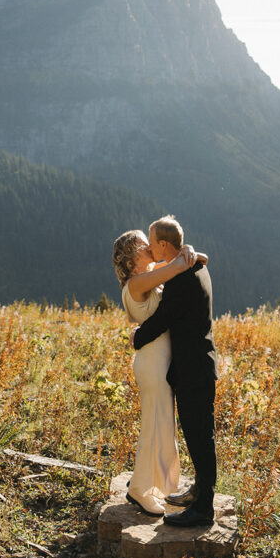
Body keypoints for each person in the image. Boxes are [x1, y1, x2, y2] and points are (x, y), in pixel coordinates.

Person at [131, 215, 218, 528]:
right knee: (197, 433)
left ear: (164, 244)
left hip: (193, 368)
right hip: (198, 365)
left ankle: (204, 508)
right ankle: (199, 492)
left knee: (200, 436)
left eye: (153, 243)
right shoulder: (195, 266)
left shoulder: (181, 277)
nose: (151, 248)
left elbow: (163, 319)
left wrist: (136, 337)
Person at [112, 229, 205, 516]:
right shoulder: (137, 282)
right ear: (131, 255)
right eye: (144, 243)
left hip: (160, 362)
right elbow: (181, 264)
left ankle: (156, 486)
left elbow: (199, 258)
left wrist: (186, 248)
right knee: (154, 425)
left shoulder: (152, 274)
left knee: (163, 427)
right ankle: (140, 490)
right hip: (152, 363)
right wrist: (182, 253)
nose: (150, 245)